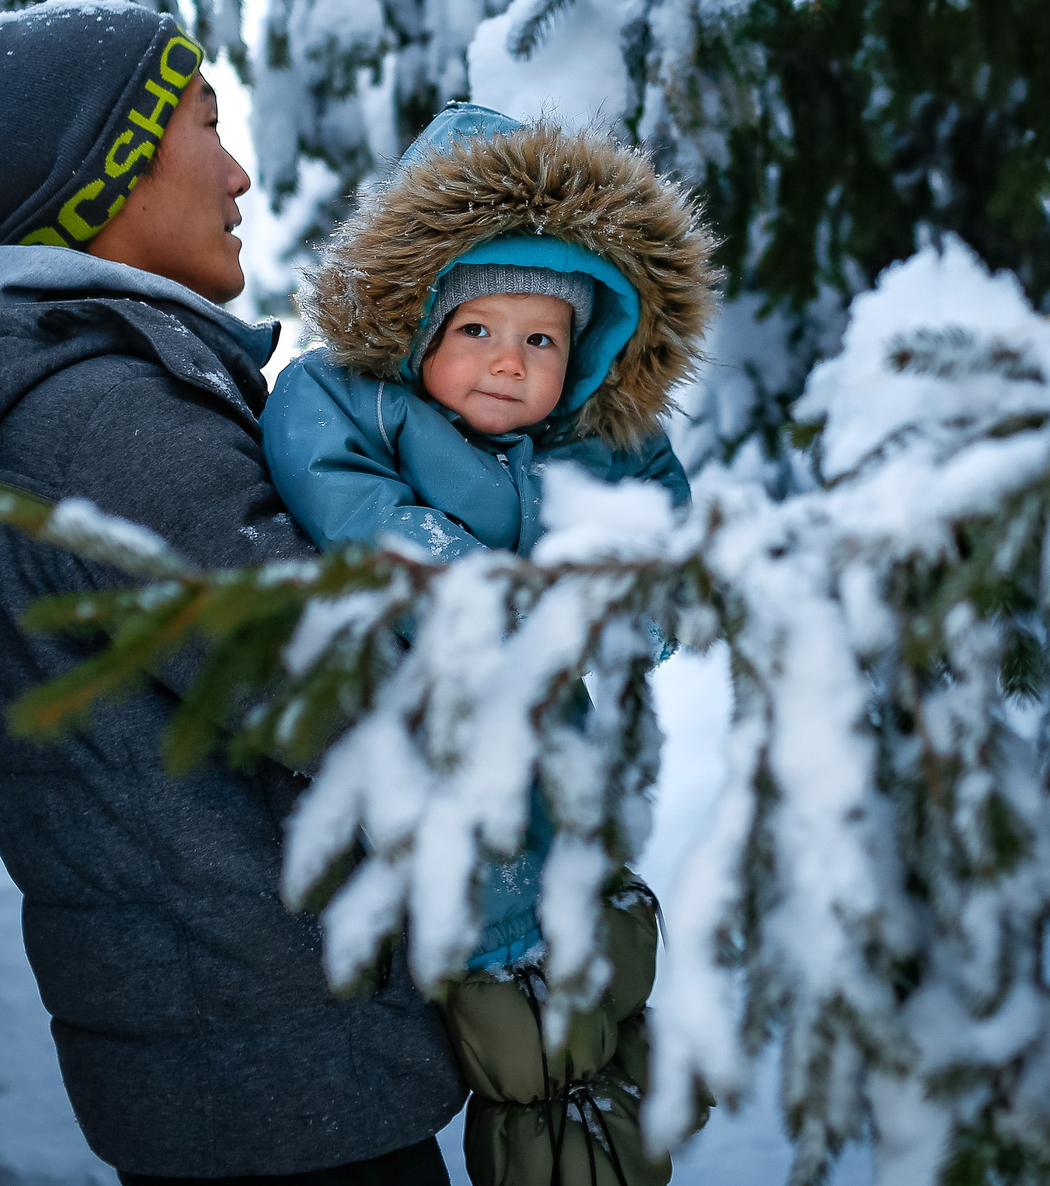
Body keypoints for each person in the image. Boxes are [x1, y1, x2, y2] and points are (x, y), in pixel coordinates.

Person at [0, 0, 463, 1186]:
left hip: (227, 1061)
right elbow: (343, 687)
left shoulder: (73, 386)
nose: (239, 173)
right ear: (112, 170)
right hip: (281, 1082)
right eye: (206, 125)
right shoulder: (105, 417)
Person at [262, 102, 721, 1185]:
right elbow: (355, 514)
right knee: (514, 1042)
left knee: (604, 982)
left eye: (541, 339)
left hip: (562, 781)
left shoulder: (601, 444)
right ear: (413, 320)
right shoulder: (344, 400)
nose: (508, 364)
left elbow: (656, 546)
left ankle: (619, 1135)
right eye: (475, 329)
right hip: (430, 779)